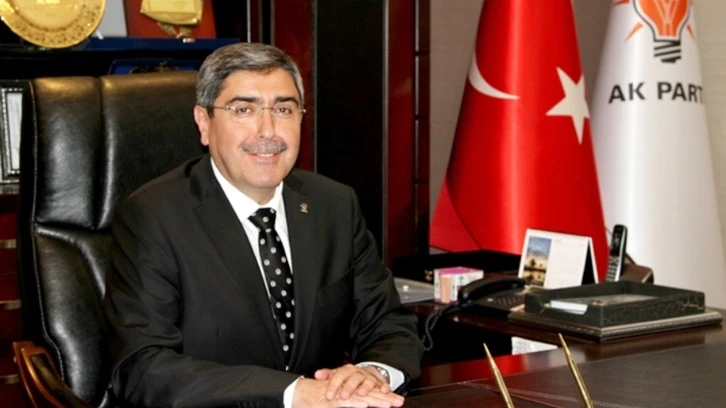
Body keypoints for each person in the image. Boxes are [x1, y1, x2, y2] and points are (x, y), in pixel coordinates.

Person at [104, 42, 423, 408]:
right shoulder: (153, 216)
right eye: (244, 109)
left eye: (283, 109)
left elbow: (389, 324)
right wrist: (293, 392)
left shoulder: (334, 205)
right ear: (204, 122)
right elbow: (143, 367)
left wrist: (373, 372)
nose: (268, 131)